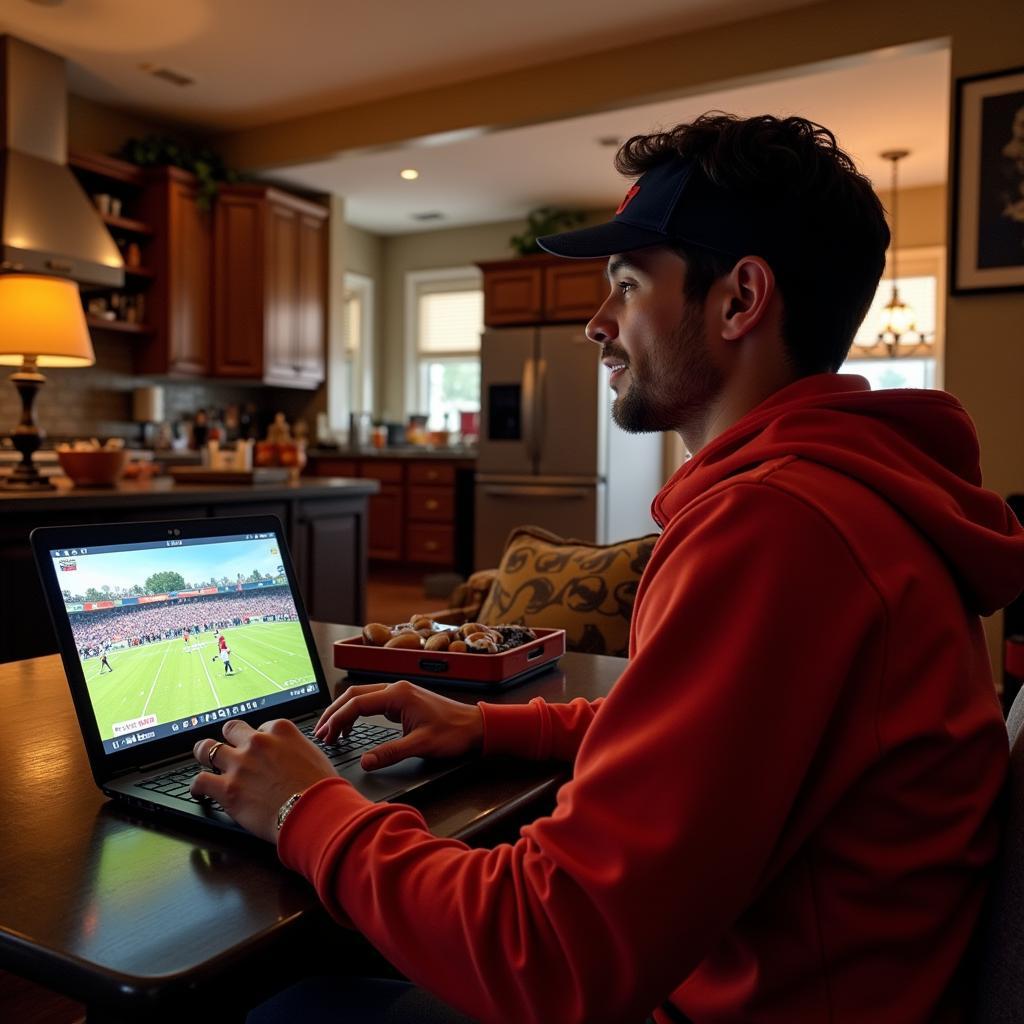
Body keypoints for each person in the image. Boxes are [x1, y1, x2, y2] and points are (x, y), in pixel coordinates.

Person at [191, 114, 1024, 1023]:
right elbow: (722, 736)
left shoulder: (779, 531)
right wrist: (493, 727)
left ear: (741, 299)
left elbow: (549, 954)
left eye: (626, 287)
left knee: (282, 1000)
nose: (597, 324)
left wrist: (305, 807)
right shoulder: (838, 503)